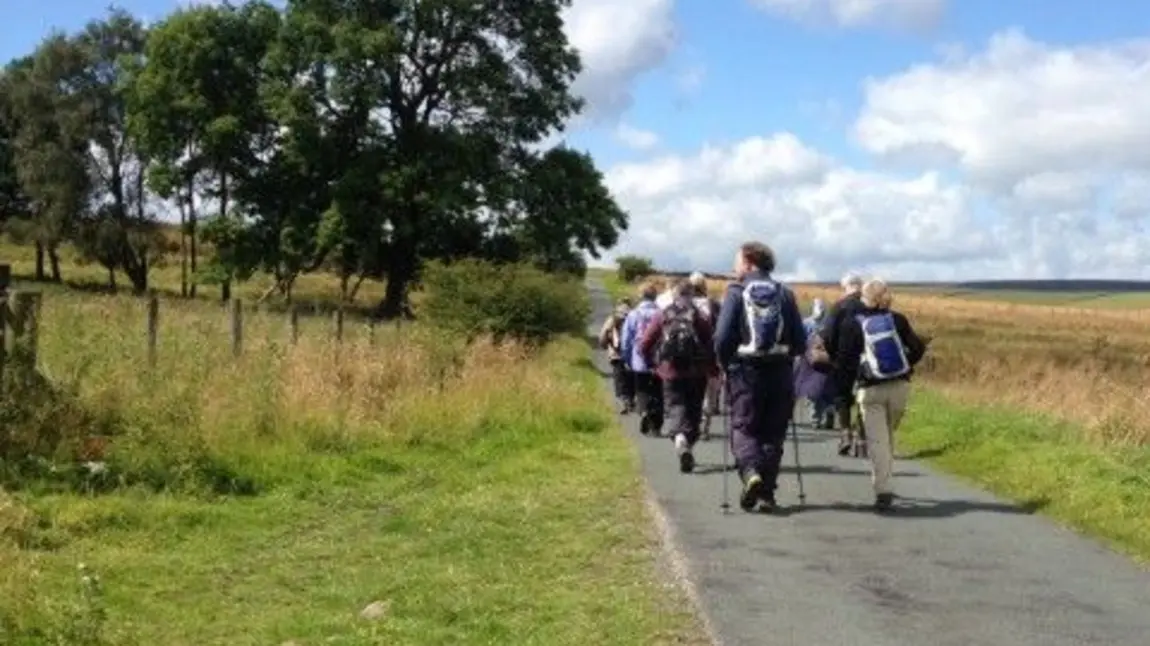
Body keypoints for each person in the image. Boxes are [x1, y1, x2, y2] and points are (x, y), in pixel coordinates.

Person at [714, 241, 807, 512]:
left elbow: (721, 337)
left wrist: (724, 362)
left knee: (744, 427)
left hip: (745, 371)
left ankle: (751, 472)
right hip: (780, 372)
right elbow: (801, 342)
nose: (734, 266)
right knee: (773, 432)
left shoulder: (735, 292)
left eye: (737, 261)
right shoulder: (785, 294)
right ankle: (766, 493)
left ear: (749, 262)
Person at [838, 279, 926, 511]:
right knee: (888, 435)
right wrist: (907, 365)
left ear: (863, 297)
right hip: (899, 386)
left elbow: (845, 361)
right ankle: (885, 477)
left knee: (878, 440)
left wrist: (844, 392)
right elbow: (918, 348)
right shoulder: (898, 320)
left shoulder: (852, 323)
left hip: (870, 389)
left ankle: (883, 489)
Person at [638, 281, 716, 473]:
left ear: (673, 295)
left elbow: (645, 343)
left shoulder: (662, 316)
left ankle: (680, 440)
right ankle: (688, 442)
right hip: (697, 373)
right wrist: (713, 369)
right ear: (692, 296)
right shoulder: (700, 317)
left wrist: (652, 363)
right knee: (694, 411)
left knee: (675, 408)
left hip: (671, 372)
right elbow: (712, 344)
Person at [821, 272, 868, 456]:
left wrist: (833, 356)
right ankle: (862, 439)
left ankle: (846, 434)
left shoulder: (839, 307)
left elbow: (828, 336)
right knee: (864, 398)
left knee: (842, 398)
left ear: (846, 287)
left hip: (842, 360)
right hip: (866, 361)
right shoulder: (869, 307)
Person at [621, 282, 665, 436]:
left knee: (641, 390)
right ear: (655, 296)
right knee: (658, 392)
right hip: (659, 360)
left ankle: (644, 411)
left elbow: (626, 340)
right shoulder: (662, 314)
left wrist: (626, 358)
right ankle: (656, 426)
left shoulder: (633, 314)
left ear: (641, 296)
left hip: (639, 359)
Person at [687, 271, 723, 439]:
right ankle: (704, 425)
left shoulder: (682, 304)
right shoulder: (714, 305)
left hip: (686, 356)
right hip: (710, 356)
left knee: (689, 391)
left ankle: (691, 423)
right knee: (709, 392)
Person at [794, 299, 834, 428]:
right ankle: (827, 411)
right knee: (824, 388)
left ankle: (816, 418)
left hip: (811, 360)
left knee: (813, 390)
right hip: (824, 359)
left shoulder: (806, 323)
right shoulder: (829, 324)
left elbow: (800, 341)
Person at [599, 298, 636, 413]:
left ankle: (623, 399)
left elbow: (604, 333)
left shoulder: (613, 317)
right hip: (631, 354)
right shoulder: (634, 316)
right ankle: (630, 398)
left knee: (619, 378)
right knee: (631, 377)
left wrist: (604, 346)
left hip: (616, 354)